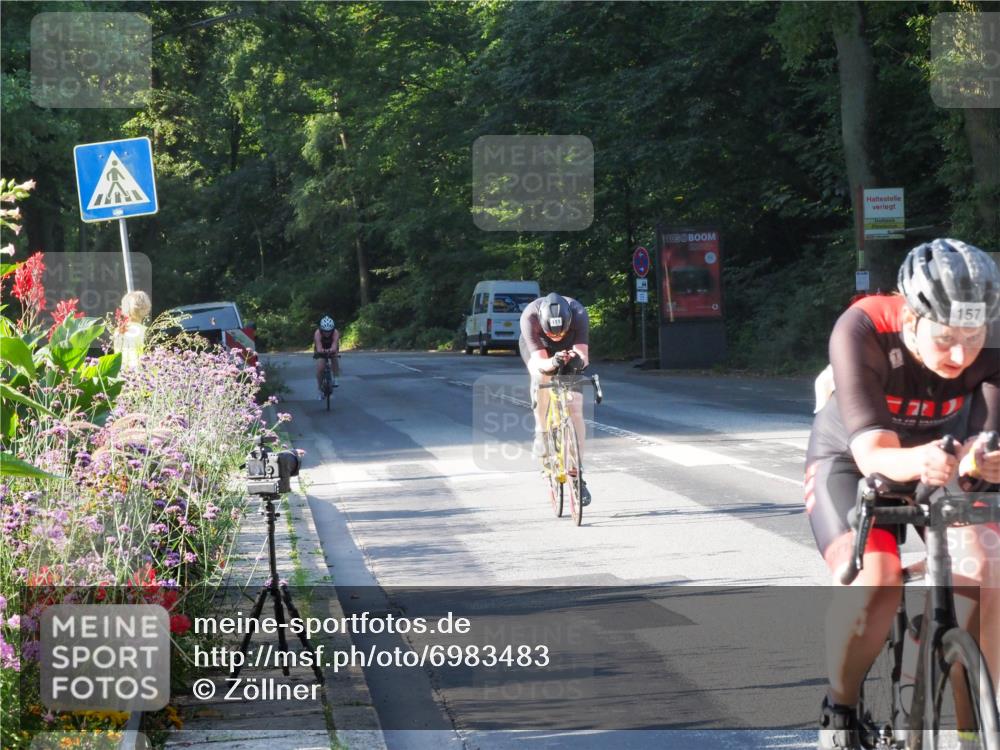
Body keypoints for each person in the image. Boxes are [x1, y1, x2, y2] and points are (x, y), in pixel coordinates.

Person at [805, 239, 1000, 749]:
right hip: (855, 461)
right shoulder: (864, 327)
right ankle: (840, 709)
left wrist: (980, 460)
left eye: (974, 337)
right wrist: (926, 460)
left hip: (944, 456)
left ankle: (971, 723)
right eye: (946, 339)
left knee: (985, 567)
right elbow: (874, 455)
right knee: (877, 581)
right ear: (912, 321)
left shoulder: (994, 339)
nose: (961, 354)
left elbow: (987, 439)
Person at [519, 292, 592, 506]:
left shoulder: (578, 313)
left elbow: (583, 358)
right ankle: (541, 433)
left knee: (575, 406)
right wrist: (553, 360)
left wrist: (574, 361)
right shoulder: (529, 317)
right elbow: (541, 363)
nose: (557, 338)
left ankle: (577, 472)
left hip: (570, 350)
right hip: (539, 351)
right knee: (541, 376)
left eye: (561, 333)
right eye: (553, 334)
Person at [113, 290, 152, 370]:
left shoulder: (118, 331)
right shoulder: (146, 331)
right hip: (143, 376)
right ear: (146, 308)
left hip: (123, 374)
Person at [314, 316, 340, 397]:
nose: (327, 333)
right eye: (325, 331)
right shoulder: (317, 333)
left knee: (335, 357)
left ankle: (336, 378)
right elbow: (318, 348)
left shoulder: (335, 332)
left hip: (331, 346)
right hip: (321, 347)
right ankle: (319, 389)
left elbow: (334, 345)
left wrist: (332, 351)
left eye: (329, 331)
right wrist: (323, 351)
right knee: (320, 368)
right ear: (321, 329)